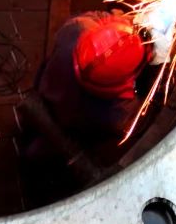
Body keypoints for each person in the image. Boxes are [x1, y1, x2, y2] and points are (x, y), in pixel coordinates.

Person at [21, 12, 153, 194]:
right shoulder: (118, 113)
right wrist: (151, 58)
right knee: (50, 150)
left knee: (39, 126)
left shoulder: (75, 29)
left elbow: (98, 16)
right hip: (75, 128)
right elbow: (141, 120)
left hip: (49, 90)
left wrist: (125, 21)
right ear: (124, 80)